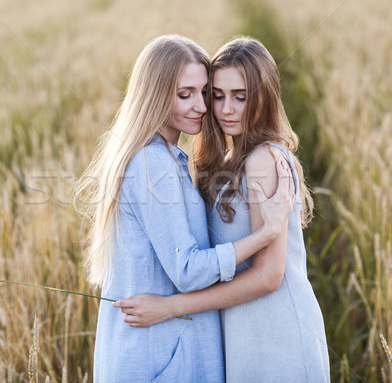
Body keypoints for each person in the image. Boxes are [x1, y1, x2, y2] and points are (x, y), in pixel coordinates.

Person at [74, 35, 295, 383]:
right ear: (156, 95)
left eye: (204, 92)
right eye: (184, 94)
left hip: (162, 351)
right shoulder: (154, 163)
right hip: (162, 356)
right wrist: (266, 234)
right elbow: (188, 270)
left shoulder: (168, 160)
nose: (204, 106)